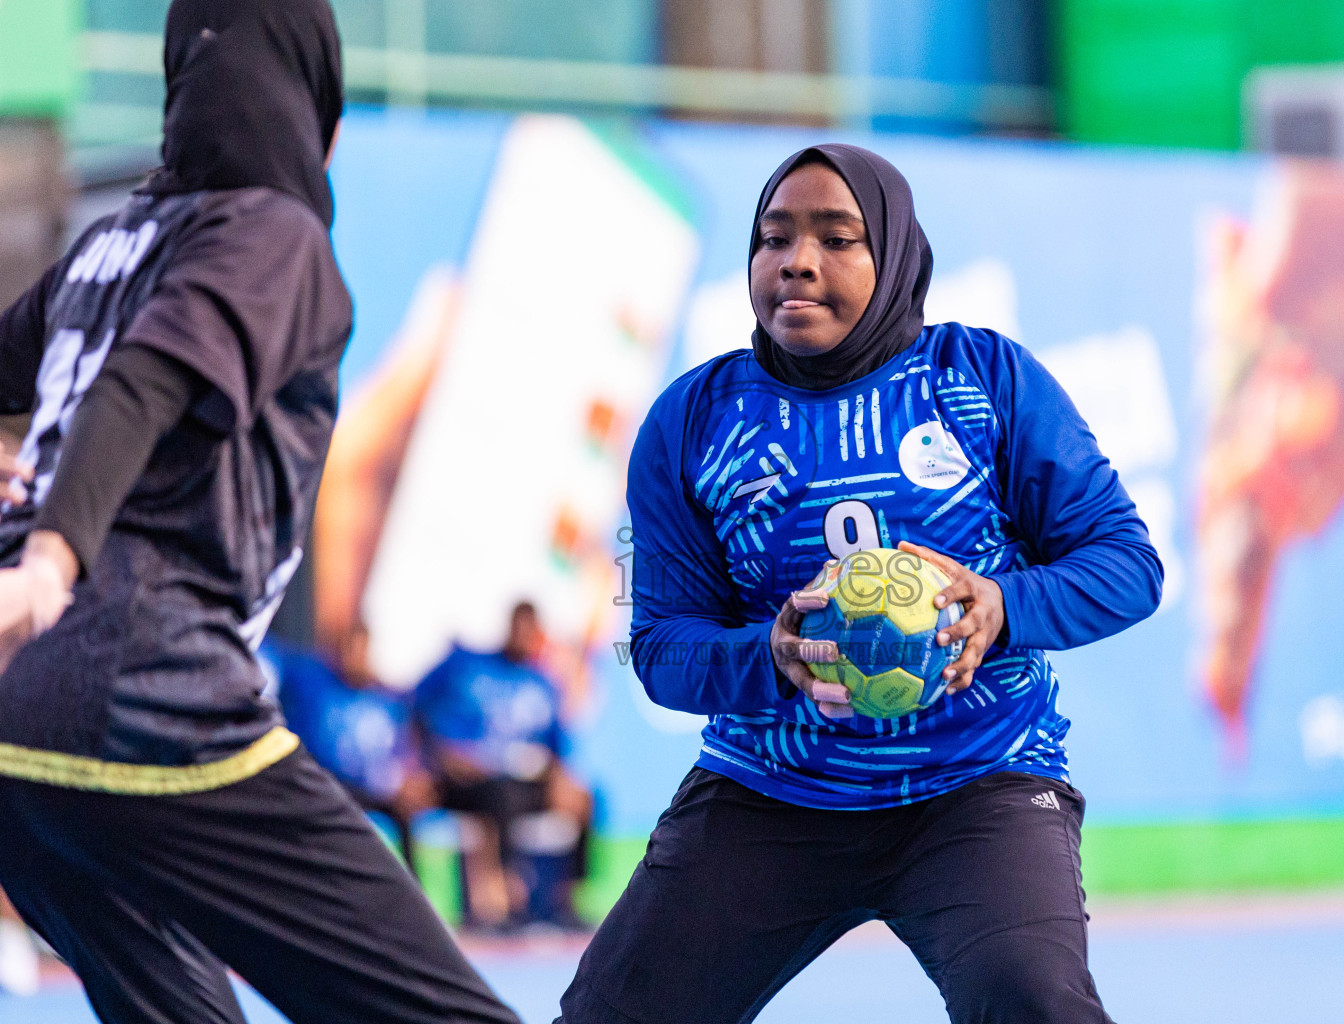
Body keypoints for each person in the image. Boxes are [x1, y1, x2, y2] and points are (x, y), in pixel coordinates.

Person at [556, 144, 1163, 1024]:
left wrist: (1002, 606)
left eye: (838, 238)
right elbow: (659, 647)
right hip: (772, 792)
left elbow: (1126, 565)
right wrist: (770, 655)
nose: (798, 260)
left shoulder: (983, 381)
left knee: (1032, 1001)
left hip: (979, 783)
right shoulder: (692, 420)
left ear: (895, 258)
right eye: (775, 238)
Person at [0, 2, 522, 1022]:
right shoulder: (273, 234)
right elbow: (144, 381)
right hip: (140, 688)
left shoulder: (111, 245)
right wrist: (53, 560)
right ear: (308, 99)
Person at [416, 603, 593, 931]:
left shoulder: (543, 683)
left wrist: (559, 777)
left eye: (531, 630)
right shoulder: (469, 668)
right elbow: (417, 708)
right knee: (502, 796)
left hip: (524, 780)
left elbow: (556, 751)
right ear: (508, 627)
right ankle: (505, 899)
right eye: (518, 627)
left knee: (583, 798)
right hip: (471, 783)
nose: (523, 636)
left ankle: (568, 900)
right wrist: (441, 755)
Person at [274, 623, 437, 871]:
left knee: (408, 809)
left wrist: (413, 779)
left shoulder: (389, 702)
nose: (353, 659)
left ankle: (410, 889)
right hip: (335, 785)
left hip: (383, 790)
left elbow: (407, 753)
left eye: (360, 651)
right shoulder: (318, 698)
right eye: (347, 650)